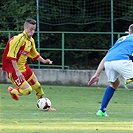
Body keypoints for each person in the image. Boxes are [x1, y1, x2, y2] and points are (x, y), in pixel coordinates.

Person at [2, 18, 55, 111]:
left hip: (25, 69)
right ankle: (12, 91)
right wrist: (17, 72)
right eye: (31, 29)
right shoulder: (18, 39)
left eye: (34, 29)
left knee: (38, 86)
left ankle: (45, 105)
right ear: (25, 28)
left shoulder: (31, 41)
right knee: (27, 90)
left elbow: (34, 54)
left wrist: (44, 61)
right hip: (15, 71)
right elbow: (11, 57)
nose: (33, 31)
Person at [88, 24, 133, 116]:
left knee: (114, 84)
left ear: (129, 31)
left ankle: (101, 110)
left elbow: (106, 56)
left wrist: (97, 74)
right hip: (122, 61)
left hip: (109, 62)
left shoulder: (121, 40)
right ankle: (129, 79)